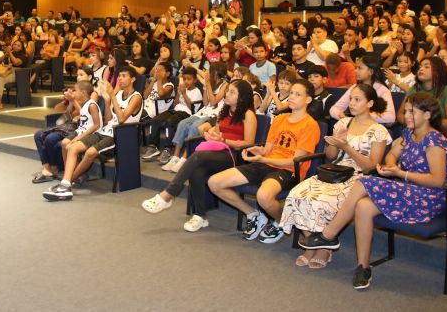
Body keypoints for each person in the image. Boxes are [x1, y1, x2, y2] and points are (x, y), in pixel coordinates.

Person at [300, 92, 447, 290]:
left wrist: (401, 173)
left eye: (412, 112)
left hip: (428, 198)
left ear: (427, 115)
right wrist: (390, 166)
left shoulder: (434, 141)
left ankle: (328, 234)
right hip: (409, 191)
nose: (406, 116)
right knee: (363, 206)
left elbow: (438, 180)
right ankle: (363, 267)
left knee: (364, 182)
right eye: (405, 111)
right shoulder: (408, 133)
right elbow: (392, 156)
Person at [280, 84, 391, 268]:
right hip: (334, 172)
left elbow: (372, 166)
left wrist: (347, 147)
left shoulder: (379, 131)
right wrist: (335, 143)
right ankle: (315, 242)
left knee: (322, 201)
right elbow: (331, 156)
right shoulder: (343, 123)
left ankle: (323, 248)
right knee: (297, 194)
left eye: (358, 100)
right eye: (351, 99)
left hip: (359, 178)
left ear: (370, 103)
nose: (352, 103)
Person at [208, 79, 321, 241]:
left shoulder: (310, 125)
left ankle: (281, 222)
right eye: (291, 93)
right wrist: (256, 150)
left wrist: (262, 158)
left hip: (288, 171)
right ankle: (253, 214)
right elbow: (267, 149)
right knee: (214, 182)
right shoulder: (280, 119)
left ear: (308, 100)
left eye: (298, 94)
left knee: (263, 196)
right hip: (266, 164)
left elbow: (295, 161)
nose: (292, 97)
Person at [141, 79, 257, 232]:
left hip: (238, 156)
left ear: (241, 97)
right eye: (227, 90)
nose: (226, 94)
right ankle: (200, 216)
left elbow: (249, 143)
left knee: (197, 156)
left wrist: (224, 140)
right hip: (219, 152)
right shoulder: (224, 112)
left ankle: (169, 194)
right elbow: (216, 133)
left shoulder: (248, 115)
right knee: (197, 172)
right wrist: (210, 135)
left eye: (231, 92)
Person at [43, 67, 142, 201]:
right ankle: (66, 184)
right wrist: (107, 101)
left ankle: (66, 183)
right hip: (106, 130)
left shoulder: (136, 97)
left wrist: (111, 96)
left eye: (124, 76)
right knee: (72, 147)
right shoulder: (118, 95)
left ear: (133, 79)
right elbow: (108, 118)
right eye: (119, 76)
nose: (120, 79)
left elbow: (122, 119)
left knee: (90, 153)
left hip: (121, 135)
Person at [163, 62, 229, 172]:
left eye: (210, 71)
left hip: (216, 114)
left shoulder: (225, 85)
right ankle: (175, 157)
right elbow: (206, 102)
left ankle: (185, 158)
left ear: (216, 73)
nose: (208, 73)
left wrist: (207, 85)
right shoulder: (210, 84)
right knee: (182, 124)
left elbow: (214, 102)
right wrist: (206, 88)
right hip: (205, 111)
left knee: (194, 127)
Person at [329, 53, 396, 125]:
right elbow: (334, 109)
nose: (355, 71)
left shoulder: (382, 90)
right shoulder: (355, 88)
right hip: (355, 126)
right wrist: (344, 118)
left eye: (360, 68)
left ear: (371, 71)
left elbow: (391, 117)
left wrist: (363, 117)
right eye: (356, 68)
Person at [406, 56, 447, 132]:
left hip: (438, 133)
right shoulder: (414, 89)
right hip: (414, 132)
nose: (421, 69)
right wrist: (411, 120)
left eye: (427, 67)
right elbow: (400, 115)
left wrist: (424, 121)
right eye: (420, 66)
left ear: (438, 71)